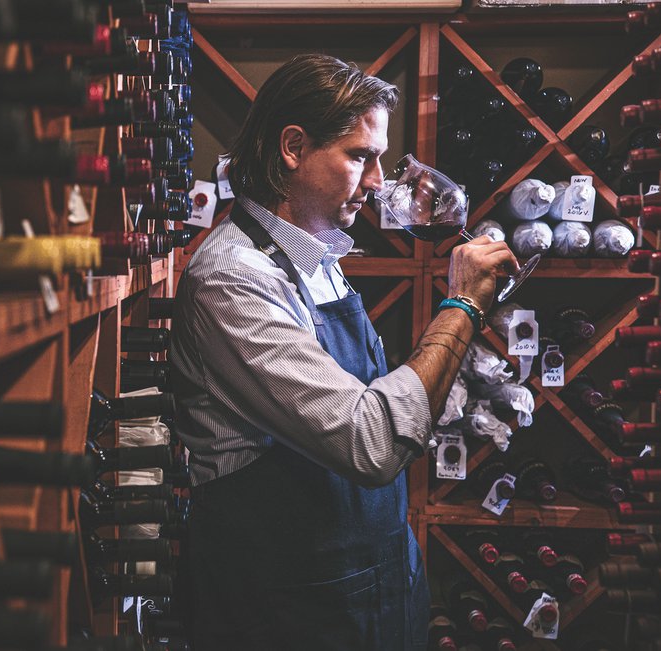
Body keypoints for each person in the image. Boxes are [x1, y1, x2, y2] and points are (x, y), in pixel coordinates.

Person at [168, 54, 518, 651]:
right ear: (293, 147)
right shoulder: (233, 281)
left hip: (373, 593)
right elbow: (372, 442)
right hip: (287, 611)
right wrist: (461, 308)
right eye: (361, 156)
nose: (380, 182)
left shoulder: (319, 258)